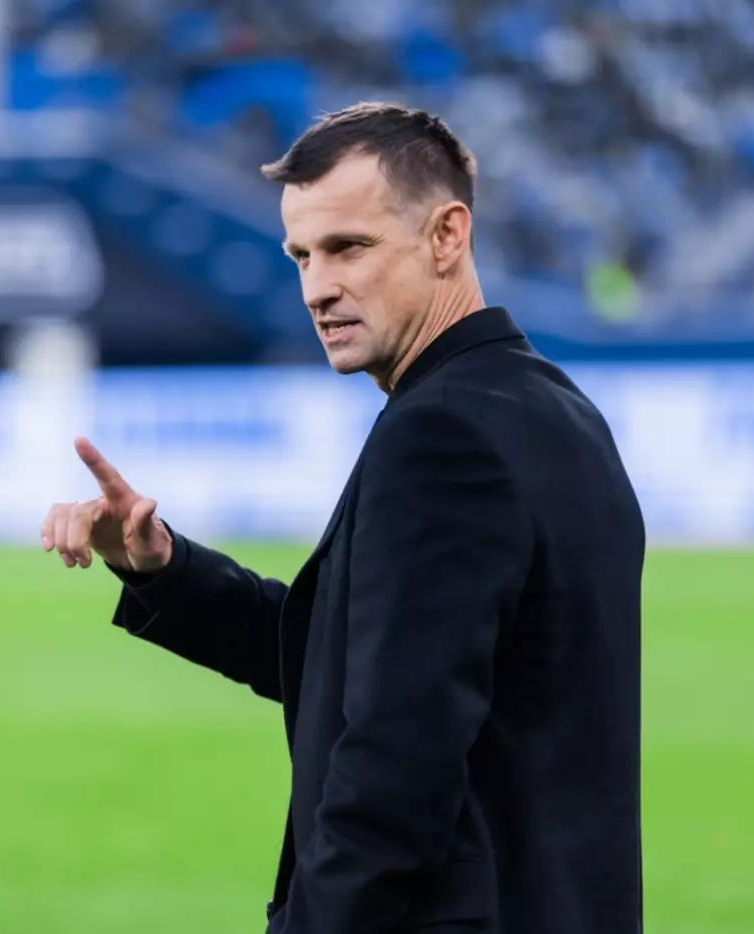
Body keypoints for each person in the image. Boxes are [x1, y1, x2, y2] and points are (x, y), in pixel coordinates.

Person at [41, 102, 646, 934]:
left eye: (348, 247)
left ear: (447, 235)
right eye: (301, 256)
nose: (317, 287)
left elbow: (393, 768)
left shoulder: (442, 434)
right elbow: (357, 663)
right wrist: (163, 568)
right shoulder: (555, 412)